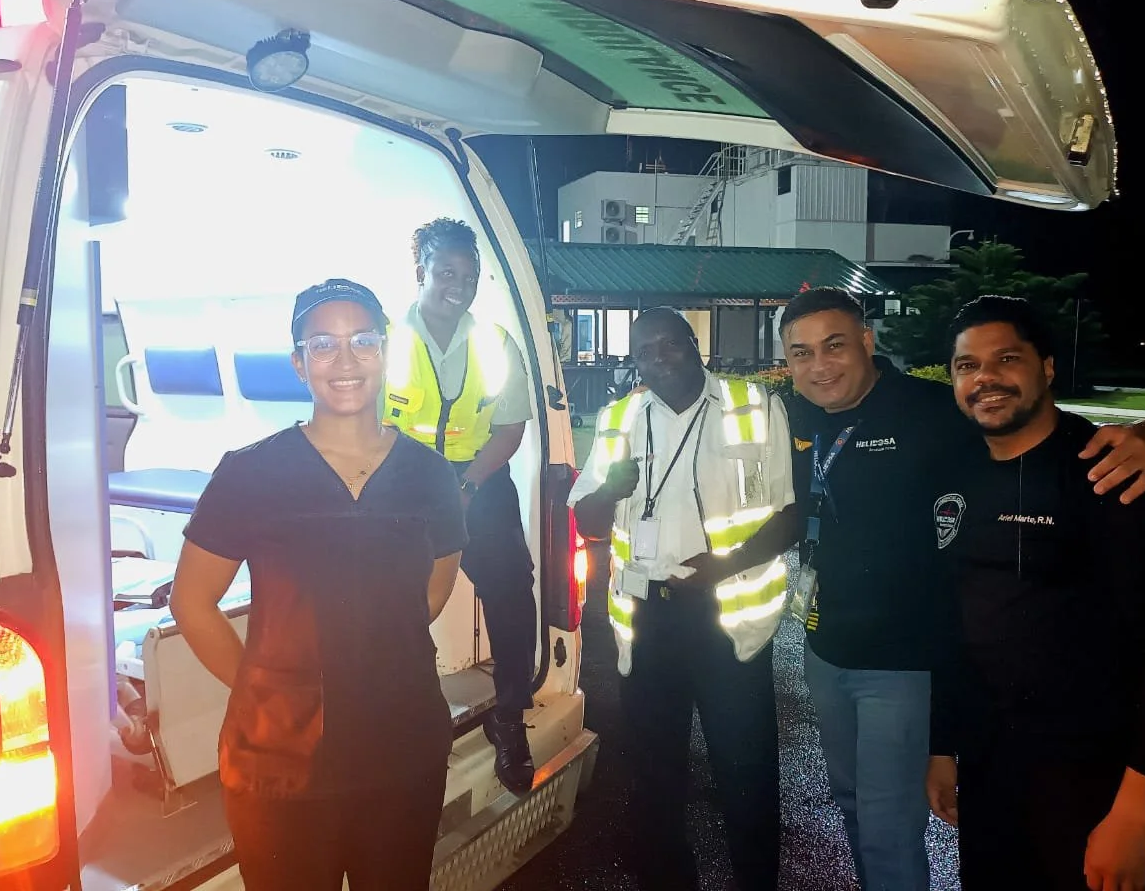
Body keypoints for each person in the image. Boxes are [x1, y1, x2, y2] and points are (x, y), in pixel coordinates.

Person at [778, 287, 1145, 891]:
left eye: (834, 345)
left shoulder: (941, 415)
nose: (819, 365)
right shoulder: (801, 413)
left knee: (890, 829)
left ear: (867, 341)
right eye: (800, 353)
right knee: (857, 806)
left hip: (913, 667)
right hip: (837, 651)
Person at [169, 278, 465, 890]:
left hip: (401, 748)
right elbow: (193, 604)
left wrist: (369, 665)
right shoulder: (249, 473)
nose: (346, 360)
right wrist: (268, 686)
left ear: (386, 352)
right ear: (299, 363)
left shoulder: (430, 475)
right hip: (279, 764)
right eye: (323, 344)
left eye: (362, 340)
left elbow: (431, 594)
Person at [926, 295, 1145, 891]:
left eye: (1007, 359)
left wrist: (1133, 813)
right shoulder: (956, 470)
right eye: (967, 366)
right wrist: (943, 746)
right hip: (988, 764)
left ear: (1046, 368)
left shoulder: (1114, 474)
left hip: (1088, 776)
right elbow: (954, 622)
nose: (985, 378)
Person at [569, 307, 801, 891]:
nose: (659, 358)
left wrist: (725, 565)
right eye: (645, 351)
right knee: (652, 770)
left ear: (693, 344)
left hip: (727, 616)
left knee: (744, 767)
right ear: (636, 361)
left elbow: (791, 515)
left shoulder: (754, 407)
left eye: (669, 344)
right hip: (648, 618)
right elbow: (587, 518)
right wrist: (610, 490)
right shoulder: (619, 418)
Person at [382, 217, 538, 793]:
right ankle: (408, 716)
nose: (459, 284)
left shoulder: (494, 343)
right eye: (446, 272)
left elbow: (511, 426)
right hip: (404, 485)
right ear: (420, 271)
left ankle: (510, 715)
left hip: (480, 481)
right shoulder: (385, 340)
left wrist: (467, 486)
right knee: (397, 603)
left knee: (512, 593)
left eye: (469, 276)